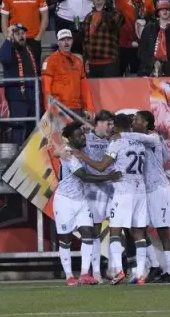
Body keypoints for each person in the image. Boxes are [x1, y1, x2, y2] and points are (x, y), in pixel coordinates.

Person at [72, 113, 149, 285]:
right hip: (140, 190)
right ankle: (140, 274)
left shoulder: (117, 142)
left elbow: (100, 167)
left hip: (122, 191)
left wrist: (82, 156)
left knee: (115, 231)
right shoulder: (141, 143)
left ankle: (119, 271)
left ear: (115, 126)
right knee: (138, 232)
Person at [54, 122, 119, 286]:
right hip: (64, 200)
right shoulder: (68, 154)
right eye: (78, 136)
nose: (83, 138)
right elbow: (84, 176)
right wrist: (108, 177)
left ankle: (84, 273)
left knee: (88, 234)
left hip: (81, 200)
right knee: (65, 239)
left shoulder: (77, 150)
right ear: (69, 139)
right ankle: (69, 276)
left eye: (82, 135)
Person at [132, 110, 170, 282]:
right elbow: (165, 157)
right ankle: (155, 266)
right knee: (137, 229)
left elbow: (164, 157)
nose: (134, 122)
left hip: (158, 189)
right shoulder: (144, 138)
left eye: (136, 120)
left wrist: (120, 134)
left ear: (145, 123)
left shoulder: (153, 138)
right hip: (144, 190)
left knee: (162, 231)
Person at [80, 111, 115, 282]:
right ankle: (95, 272)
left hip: (112, 188)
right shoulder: (85, 138)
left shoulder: (113, 140)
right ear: (98, 123)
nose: (110, 127)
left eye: (112, 124)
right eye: (108, 124)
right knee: (95, 231)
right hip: (92, 190)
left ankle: (113, 269)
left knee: (117, 228)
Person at [108, 0, 154, 75]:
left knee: (138, 74)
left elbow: (152, 16)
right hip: (123, 42)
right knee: (119, 74)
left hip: (141, 43)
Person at [0, 23, 39, 144]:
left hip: (32, 95)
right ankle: (15, 157)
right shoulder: (9, 48)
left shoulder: (29, 49)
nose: (21, 36)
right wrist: (8, 38)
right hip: (17, 96)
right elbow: (5, 59)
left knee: (33, 128)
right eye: (17, 34)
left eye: (23, 33)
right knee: (18, 127)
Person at [0, 0, 49, 64]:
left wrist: (38, 37)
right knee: (16, 70)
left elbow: (45, 17)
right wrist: (7, 38)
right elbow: (4, 19)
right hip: (15, 39)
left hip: (33, 39)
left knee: (34, 71)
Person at [41, 29, 94, 115]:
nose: (66, 43)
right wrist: (48, 107)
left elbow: (84, 86)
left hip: (76, 107)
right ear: (58, 42)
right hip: (58, 107)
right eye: (63, 40)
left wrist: (89, 107)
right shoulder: (50, 60)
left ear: (72, 41)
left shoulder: (78, 61)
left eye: (68, 39)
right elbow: (46, 86)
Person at [81, 0, 123, 78]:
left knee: (111, 92)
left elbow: (115, 24)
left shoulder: (115, 12)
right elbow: (85, 40)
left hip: (109, 62)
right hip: (92, 63)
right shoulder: (88, 17)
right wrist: (85, 59)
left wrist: (106, 11)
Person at [137, 0, 170, 77]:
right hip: (149, 69)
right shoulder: (149, 29)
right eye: (162, 9)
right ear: (158, 12)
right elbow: (141, 51)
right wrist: (153, 62)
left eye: (167, 9)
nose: (165, 11)